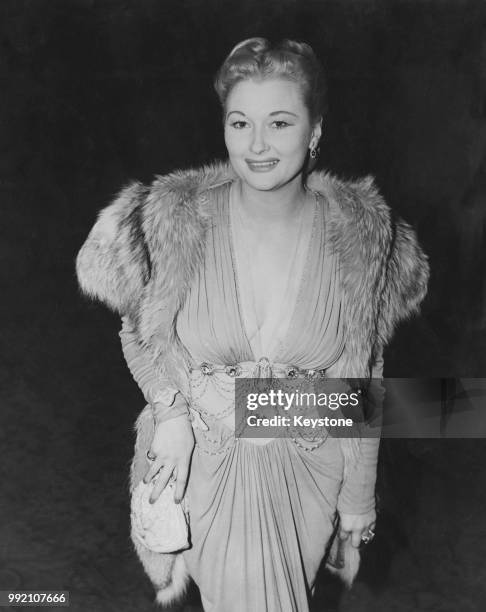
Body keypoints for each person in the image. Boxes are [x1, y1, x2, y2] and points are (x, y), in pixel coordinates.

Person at [76, 38, 429, 611]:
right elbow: (136, 333)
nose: (257, 145)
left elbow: (361, 391)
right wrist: (170, 414)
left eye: (280, 123)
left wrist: (356, 506)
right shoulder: (172, 222)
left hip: (306, 481)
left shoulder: (362, 243)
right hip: (206, 473)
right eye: (240, 123)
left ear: (315, 132)